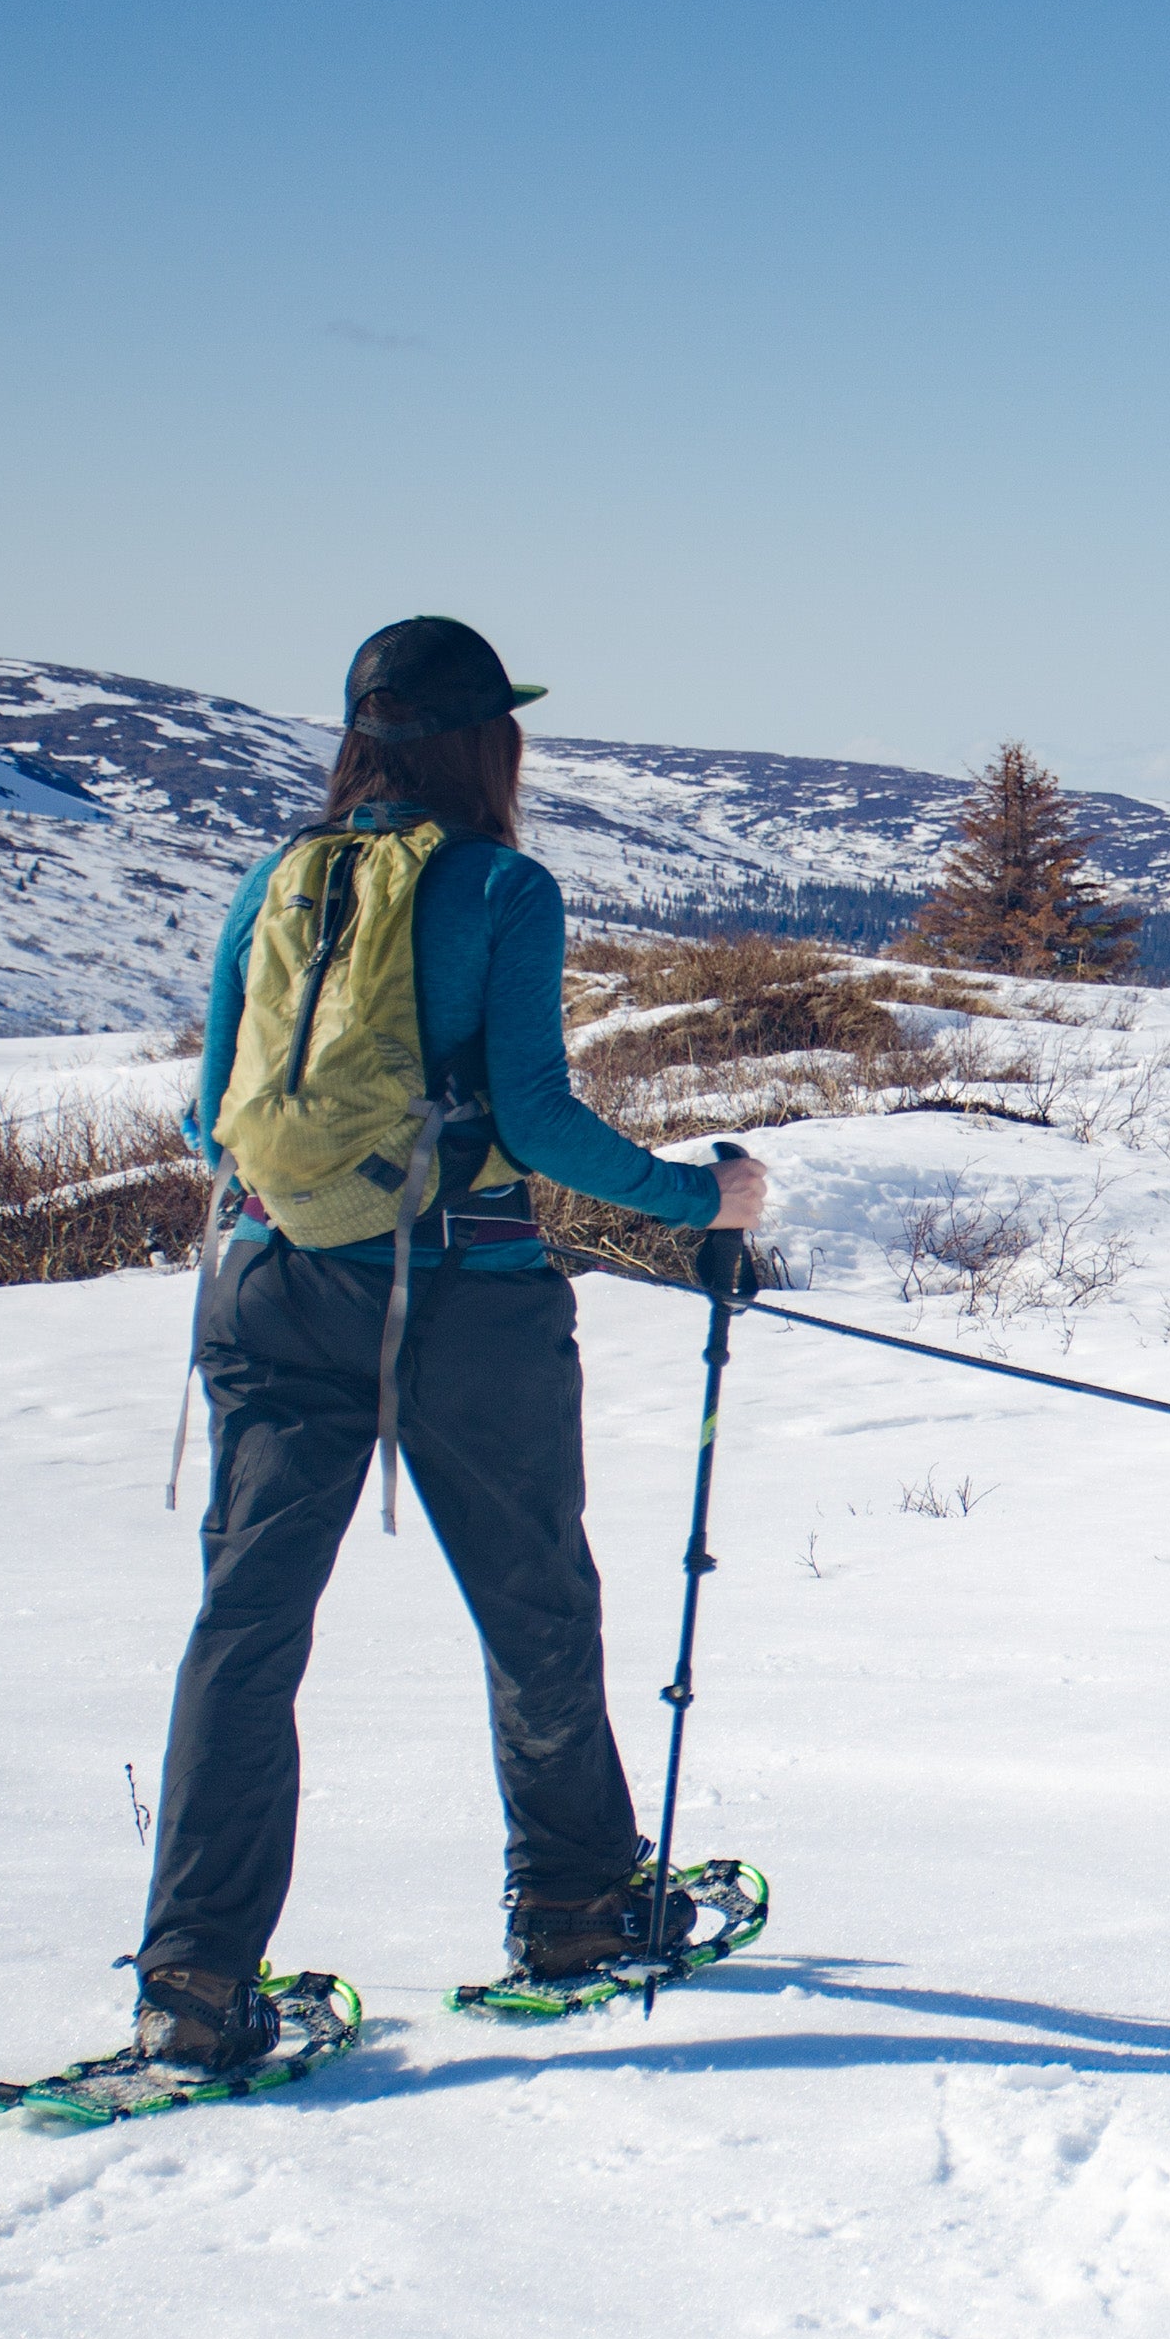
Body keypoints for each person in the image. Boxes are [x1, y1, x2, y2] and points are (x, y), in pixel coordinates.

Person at [126, 616, 771, 2069]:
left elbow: (204, 1114)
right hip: (463, 1301)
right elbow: (534, 1121)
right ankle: (575, 1908)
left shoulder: (274, 880)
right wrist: (699, 1201)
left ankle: (192, 1988)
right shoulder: (497, 887)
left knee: (246, 1629)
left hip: (266, 1285)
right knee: (535, 1600)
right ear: (490, 740)